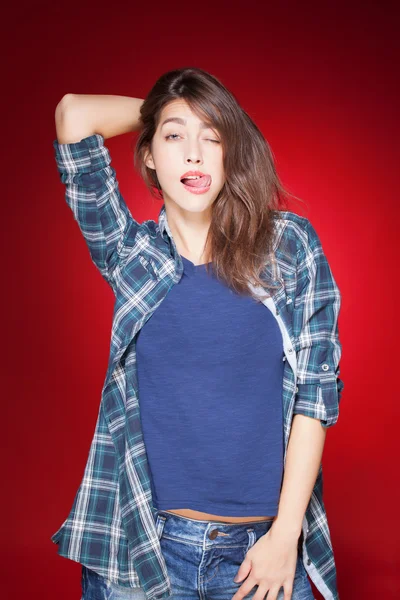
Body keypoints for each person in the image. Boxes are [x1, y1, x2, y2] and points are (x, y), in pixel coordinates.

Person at [51, 67, 344, 600]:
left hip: (262, 552)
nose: (193, 154)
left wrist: (284, 537)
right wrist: (168, 107)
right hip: (143, 549)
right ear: (148, 155)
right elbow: (73, 114)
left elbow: (315, 396)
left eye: (212, 138)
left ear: (230, 154)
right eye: (174, 138)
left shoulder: (289, 246)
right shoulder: (131, 254)